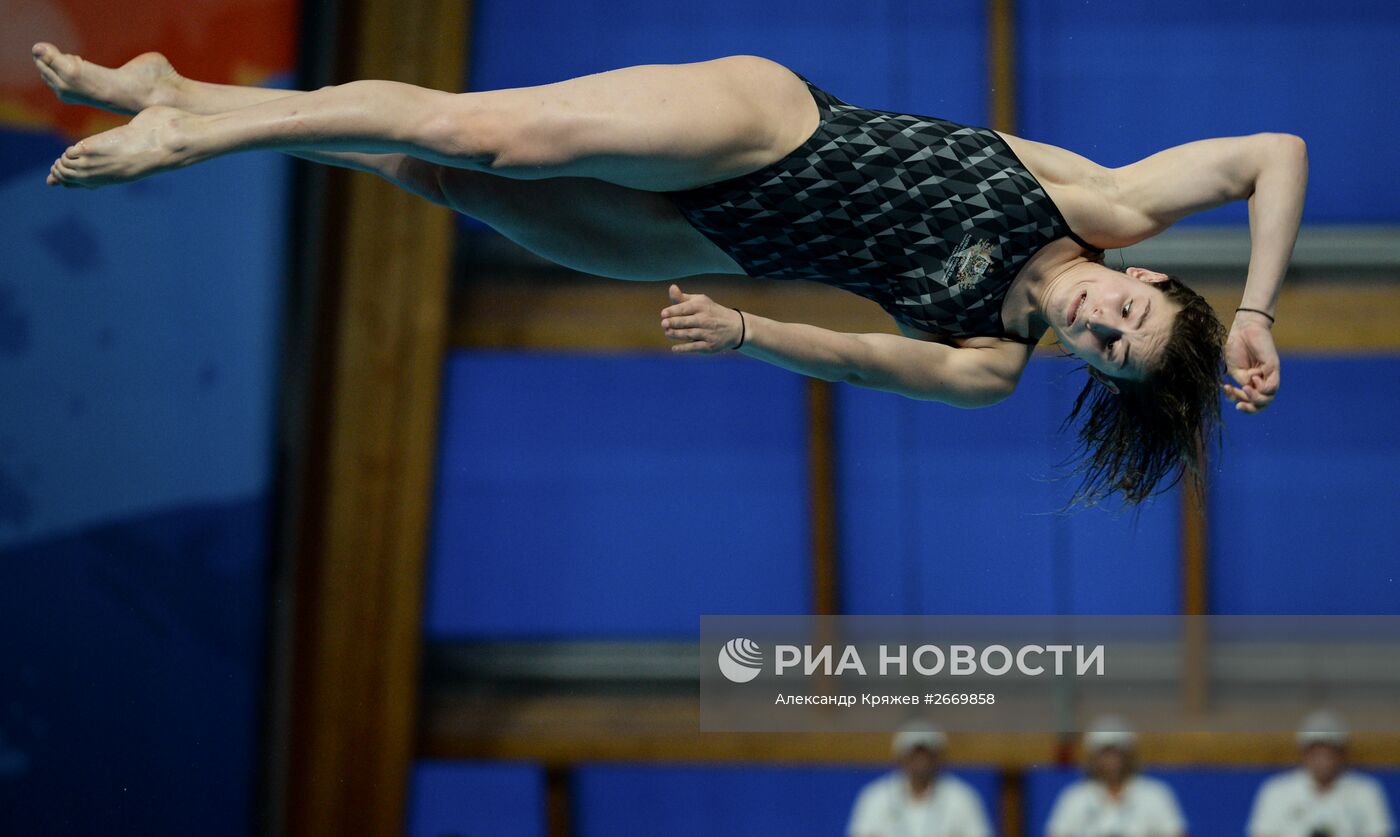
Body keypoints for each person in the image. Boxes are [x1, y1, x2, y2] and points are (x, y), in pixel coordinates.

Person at [31, 44, 1304, 504]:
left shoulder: (986, 366)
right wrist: (1252, 311)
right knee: (490, 133)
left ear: (1087, 369)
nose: (1097, 319)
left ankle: (178, 88)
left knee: (443, 180)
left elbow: (860, 354)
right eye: (1127, 309)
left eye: (1106, 350)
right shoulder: (1098, 199)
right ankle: (200, 135)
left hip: (719, 240)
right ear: (1143, 277)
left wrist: (745, 328)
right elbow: (1270, 152)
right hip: (769, 127)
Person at [1247, 710, 1395, 837]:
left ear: (1342, 753)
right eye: (1316, 752)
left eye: (1329, 752)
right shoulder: (1276, 791)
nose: (1323, 760)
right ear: (1304, 754)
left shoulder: (1366, 791)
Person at [1046, 717, 1187, 837]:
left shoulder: (1155, 794)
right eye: (1105, 753)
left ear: (1129, 755)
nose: (1112, 760)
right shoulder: (1075, 797)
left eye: (1117, 752)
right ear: (1093, 758)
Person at [847, 724, 993, 837]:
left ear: (938, 757)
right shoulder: (877, 797)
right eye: (914, 755)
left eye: (926, 755)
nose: (920, 762)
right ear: (901, 757)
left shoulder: (961, 797)